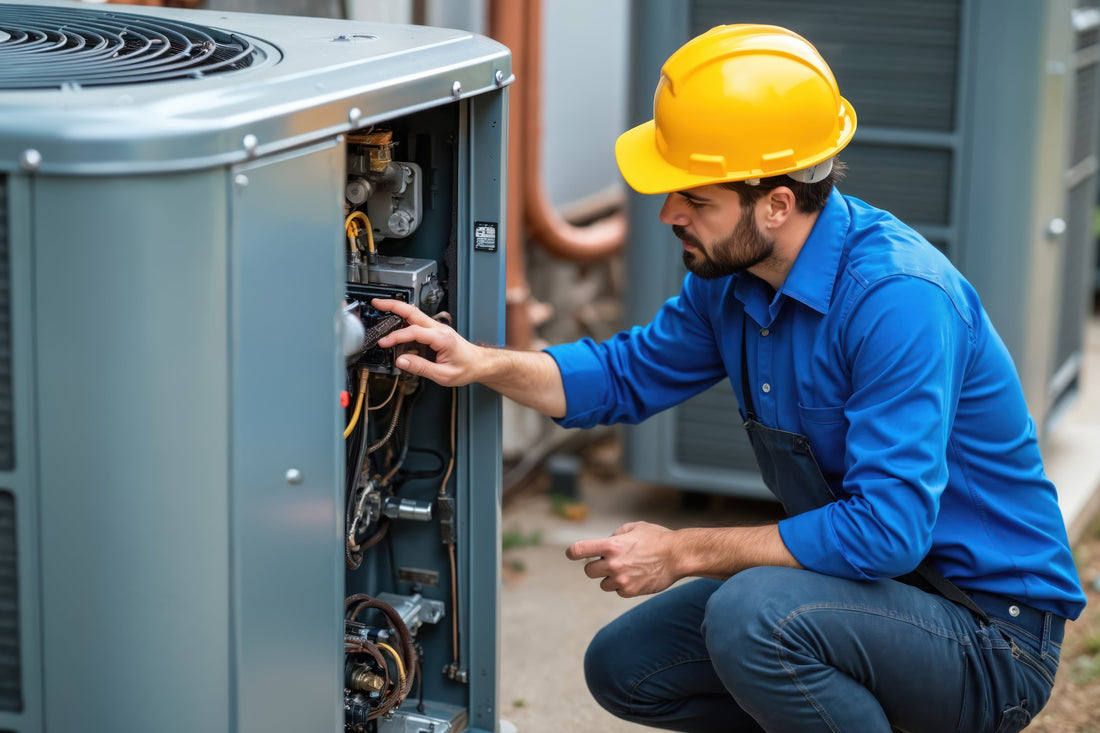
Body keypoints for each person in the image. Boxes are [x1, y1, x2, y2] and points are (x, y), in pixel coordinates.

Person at [374, 23, 1087, 733]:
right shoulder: (733, 279)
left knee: (754, 618)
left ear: (777, 203)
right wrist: (481, 361)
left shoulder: (897, 299)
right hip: (873, 597)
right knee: (630, 664)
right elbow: (625, 375)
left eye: (697, 199)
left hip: (989, 632)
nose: (668, 214)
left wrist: (684, 550)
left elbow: (886, 531)